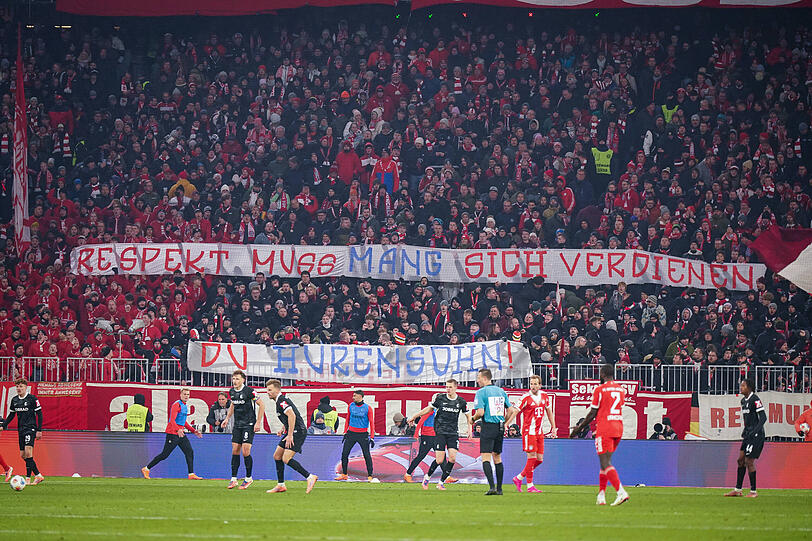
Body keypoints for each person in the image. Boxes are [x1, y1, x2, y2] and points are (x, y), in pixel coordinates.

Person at [570, 364, 630, 506]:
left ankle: (621, 492)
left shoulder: (600, 389)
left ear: (602, 374)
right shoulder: (620, 389)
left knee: (605, 462)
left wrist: (578, 429)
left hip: (605, 429)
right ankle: (601, 496)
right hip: (618, 428)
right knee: (605, 464)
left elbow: (592, 413)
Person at [408, 379, 472, 491]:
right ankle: (427, 477)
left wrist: (470, 428)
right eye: (447, 387)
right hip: (440, 432)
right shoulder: (440, 399)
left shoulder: (461, 401)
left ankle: (441, 482)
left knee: (452, 458)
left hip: (452, 433)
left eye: (450, 387)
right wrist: (415, 416)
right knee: (439, 460)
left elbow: (468, 415)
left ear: (456, 387)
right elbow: (429, 409)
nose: (448, 389)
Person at [265, 379, 318, 494]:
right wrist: (283, 428)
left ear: (277, 390)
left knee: (286, 458)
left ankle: (310, 477)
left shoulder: (282, 401)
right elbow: (288, 417)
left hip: (297, 432)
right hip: (292, 431)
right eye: (267, 390)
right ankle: (281, 485)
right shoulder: (279, 401)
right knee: (277, 456)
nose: (267, 392)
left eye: (270, 390)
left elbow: (292, 415)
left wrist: (289, 435)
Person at [472, 368, 518, 495]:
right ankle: (499, 489)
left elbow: (480, 412)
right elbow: (511, 410)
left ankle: (491, 487)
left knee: (485, 457)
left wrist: (472, 419)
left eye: (478, 377)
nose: (477, 380)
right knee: (497, 457)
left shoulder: (481, 392)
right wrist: (505, 422)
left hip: (488, 426)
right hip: (500, 426)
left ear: (485, 378)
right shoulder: (501, 391)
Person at [141, 388, 202, 480]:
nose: (186, 396)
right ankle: (146, 468)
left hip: (180, 434)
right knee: (164, 455)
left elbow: (183, 422)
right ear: (180, 395)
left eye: (188, 394)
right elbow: (172, 421)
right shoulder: (176, 405)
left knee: (189, 452)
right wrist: (178, 430)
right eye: (185, 394)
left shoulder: (184, 406)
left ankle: (191, 474)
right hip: (173, 433)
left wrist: (194, 431)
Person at [220, 369, 265, 489]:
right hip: (237, 424)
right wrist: (227, 418)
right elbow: (233, 405)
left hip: (249, 424)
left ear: (243, 380)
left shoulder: (249, 391)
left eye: (237, 379)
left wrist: (258, 422)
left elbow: (262, 404)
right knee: (235, 450)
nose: (235, 381)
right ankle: (233, 479)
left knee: (245, 451)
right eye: (233, 378)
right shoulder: (231, 392)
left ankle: (248, 478)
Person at [512, 374, 556, 493]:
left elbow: (549, 411)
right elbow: (516, 411)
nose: (533, 386)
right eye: (531, 384)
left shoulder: (545, 396)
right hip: (528, 432)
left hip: (539, 432)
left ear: (540, 385)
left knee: (539, 459)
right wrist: (507, 423)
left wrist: (553, 427)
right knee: (531, 457)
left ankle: (519, 477)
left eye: (535, 384)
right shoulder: (525, 397)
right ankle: (530, 485)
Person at [724, 378, 766, 498]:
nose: (741, 388)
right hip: (747, 434)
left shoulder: (755, 399)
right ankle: (738, 490)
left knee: (749, 461)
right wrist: (746, 431)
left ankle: (753, 491)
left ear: (749, 387)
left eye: (743, 386)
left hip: (756, 435)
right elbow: (748, 419)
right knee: (740, 460)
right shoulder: (743, 401)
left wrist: (755, 431)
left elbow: (763, 418)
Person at [0, 378, 43, 484]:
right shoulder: (14, 400)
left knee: (28, 452)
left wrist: (39, 430)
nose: (19, 388)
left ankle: (29, 477)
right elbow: (11, 415)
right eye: (17, 387)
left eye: (21, 386)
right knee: (23, 455)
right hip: (21, 429)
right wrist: (4, 425)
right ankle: (38, 475)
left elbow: (39, 414)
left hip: (31, 428)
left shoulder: (32, 399)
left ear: (25, 387)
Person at [336, 389, 375, 481]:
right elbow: (347, 419)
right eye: (353, 396)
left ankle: (370, 475)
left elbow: (372, 423)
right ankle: (344, 474)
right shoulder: (351, 406)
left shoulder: (368, 408)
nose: (353, 397)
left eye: (355, 396)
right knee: (344, 454)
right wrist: (345, 432)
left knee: (366, 455)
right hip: (351, 434)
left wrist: (372, 437)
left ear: (360, 396)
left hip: (363, 435)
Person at [403, 409, 436, 483]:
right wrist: (416, 434)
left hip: (436, 436)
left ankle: (446, 476)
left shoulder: (440, 411)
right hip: (427, 436)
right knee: (421, 456)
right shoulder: (430, 410)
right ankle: (408, 474)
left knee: (441, 456)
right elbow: (421, 421)